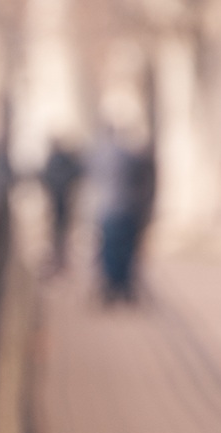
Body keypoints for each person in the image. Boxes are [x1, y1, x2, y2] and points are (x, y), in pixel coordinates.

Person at [90, 125, 156, 302]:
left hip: (108, 210)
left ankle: (112, 287)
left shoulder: (98, 156)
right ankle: (122, 286)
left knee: (110, 249)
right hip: (126, 209)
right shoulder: (128, 156)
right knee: (124, 250)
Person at [39, 139, 84, 276]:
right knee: (61, 231)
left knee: (57, 232)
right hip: (63, 201)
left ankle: (59, 260)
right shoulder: (65, 161)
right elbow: (76, 173)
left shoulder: (53, 161)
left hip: (56, 202)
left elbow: (45, 177)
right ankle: (61, 260)